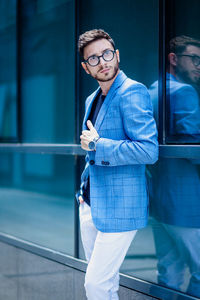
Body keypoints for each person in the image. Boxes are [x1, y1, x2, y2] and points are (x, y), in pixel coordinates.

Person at [76, 29, 158, 300]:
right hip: (91, 202)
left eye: (107, 53)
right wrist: (82, 193)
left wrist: (99, 145)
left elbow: (148, 150)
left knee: (95, 285)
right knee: (105, 282)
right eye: (94, 59)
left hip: (121, 205)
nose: (103, 61)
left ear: (117, 55)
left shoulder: (132, 91)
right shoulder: (92, 99)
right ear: (86, 68)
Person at [149, 36, 200, 298]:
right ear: (173, 59)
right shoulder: (184, 92)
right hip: (186, 202)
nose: (199, 66)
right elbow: (193, 148)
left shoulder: (152, 91)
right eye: (195, 58)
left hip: (161, 202)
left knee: (168, 274)